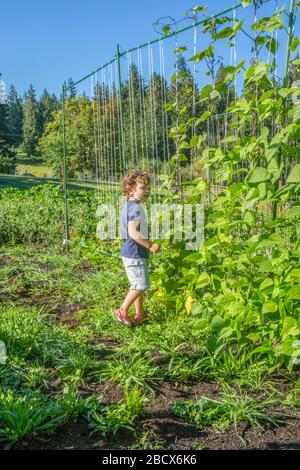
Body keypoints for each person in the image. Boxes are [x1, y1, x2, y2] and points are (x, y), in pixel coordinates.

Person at [115, 170, 160, 326]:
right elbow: (133, 233)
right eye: (143, 188)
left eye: (148, 189)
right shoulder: (135, 208)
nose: (147, 192)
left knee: (138, 284)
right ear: (131, 190)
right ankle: (122, 310)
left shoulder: (130, 206)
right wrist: (151, 245)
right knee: (141, 285)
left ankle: (140, 314)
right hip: (134, 252)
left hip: (134, 252)